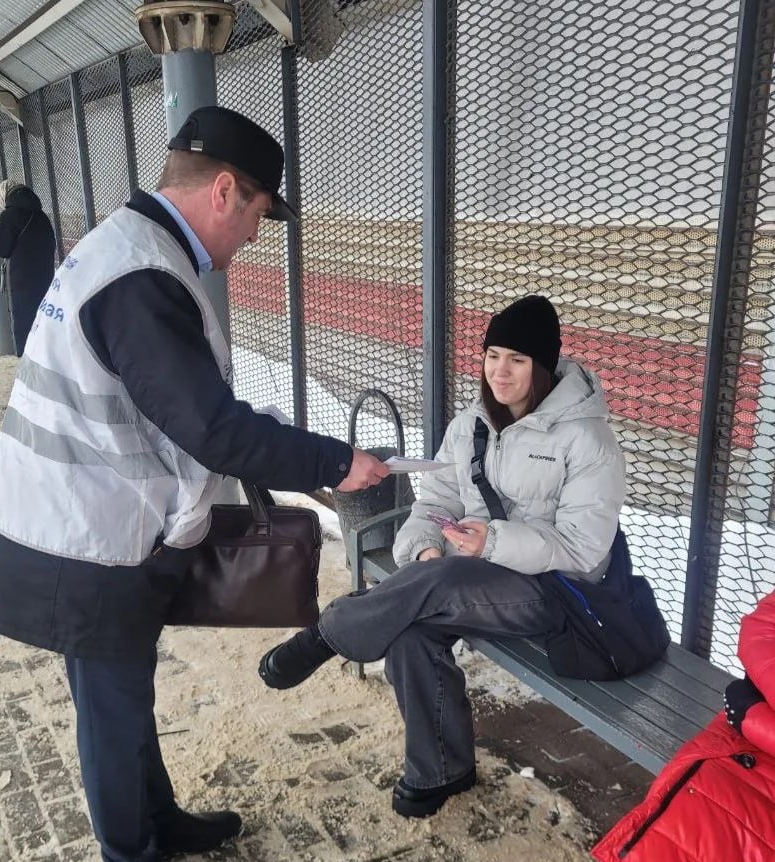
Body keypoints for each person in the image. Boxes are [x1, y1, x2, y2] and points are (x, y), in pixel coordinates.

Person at [0, 105, 389, 862]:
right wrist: (332, 463)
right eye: (259, 212)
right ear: (225, 191)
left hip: (93, 518)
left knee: (126, 687)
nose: (256, 234)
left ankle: (156, 819)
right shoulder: (140, 276)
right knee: (110, 704)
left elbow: (176, 407)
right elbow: (210, 429)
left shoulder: (134, 249)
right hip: (82, 533)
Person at [260, 295, 626, 817]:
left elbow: (584, 548)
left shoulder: (587, 438)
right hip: (472, 576)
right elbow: (435, 503)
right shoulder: (470, 424)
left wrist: (492, 542)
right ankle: (440, 770)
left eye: (517, 360)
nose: (500, 372)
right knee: (411, 628)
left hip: (558, 593)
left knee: (443, 580)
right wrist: (425, 545)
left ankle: (328, 634)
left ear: (543, 367)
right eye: (492, 355)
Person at [593, 592, 775, 862]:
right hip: (743, 753)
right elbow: (762, 627)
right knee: (678, 850)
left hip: (752, 735)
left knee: (687, 860)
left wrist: (755, 717)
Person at [0, 180, 56, 356]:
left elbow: (1, 248)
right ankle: (45, 357)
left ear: (4, 196)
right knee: (42, 319)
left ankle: (26, 360)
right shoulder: (42, 216)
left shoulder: (9, 216)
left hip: (20, 280)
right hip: (45, 277)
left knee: (23, 323)